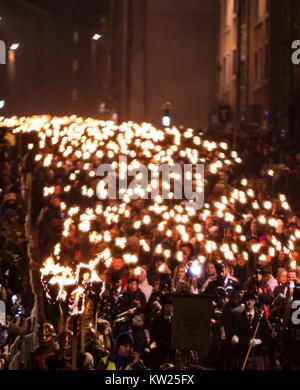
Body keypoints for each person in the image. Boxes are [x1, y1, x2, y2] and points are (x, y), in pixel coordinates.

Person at [231, 292, 272, 370]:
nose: (249, 302)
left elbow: (269, 338)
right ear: (243, 301)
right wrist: (234, 336)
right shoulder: (238, 318)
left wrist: (259, 341)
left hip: (258, 357)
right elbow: (233, 332)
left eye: (251, 300)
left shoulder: (261, 319)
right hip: (243, 356)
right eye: (247, 300)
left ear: (254, 301)